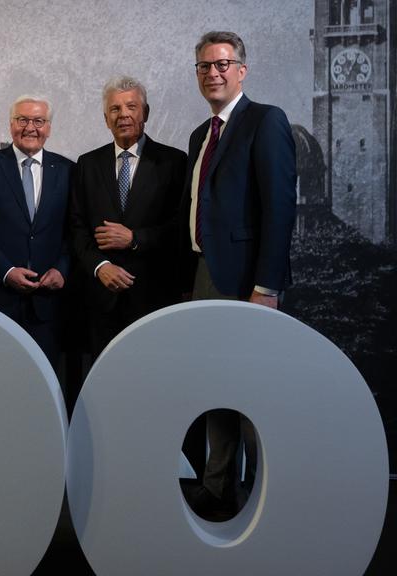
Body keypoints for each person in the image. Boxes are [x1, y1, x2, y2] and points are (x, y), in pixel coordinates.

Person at [181, 31, 297, 520]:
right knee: (216, 386)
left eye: (223, 64)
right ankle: (218, 487)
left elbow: (278, 209)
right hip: (205, 276)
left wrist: (266, 287)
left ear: (242, 70)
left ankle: (271, 498)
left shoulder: (265, 121)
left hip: (249, 282)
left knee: (254, 392)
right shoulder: (200, 135)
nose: (214, 72)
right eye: (205, 66)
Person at [70, 76, 187, 360]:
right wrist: (100, 266)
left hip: (154, 298)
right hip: (101, 302)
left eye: (131, 106)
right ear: (105, 118)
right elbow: (76, 227)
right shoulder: (87, 164)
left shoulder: (174, 162)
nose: (123, 114)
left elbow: (181, 227)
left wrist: (135, 239)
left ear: (145, 113)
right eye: (115, 109)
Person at [0, 96, 73, 371]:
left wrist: (62, 269)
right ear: (11, 124)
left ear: (49, 127)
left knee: (43, 386)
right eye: (22, 120)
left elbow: (74, 232)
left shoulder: (67, 170)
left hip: (47, 304)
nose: (30, 127)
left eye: (38, 121)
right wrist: (7, 271)